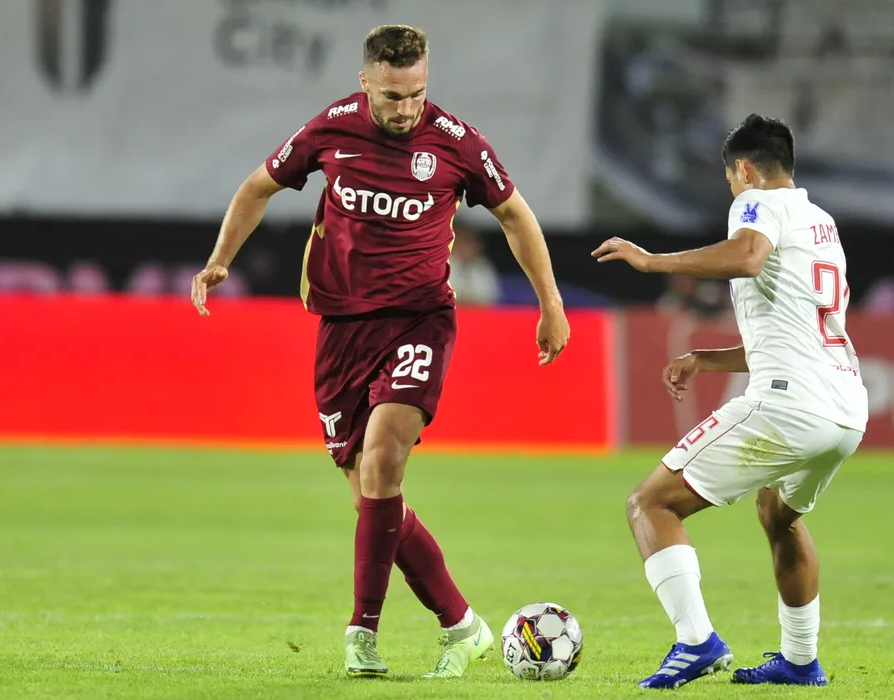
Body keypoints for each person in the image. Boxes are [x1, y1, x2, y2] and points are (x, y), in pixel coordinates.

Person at [192, 24, 569, 679]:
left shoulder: (455, 142)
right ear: (365, 81)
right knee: (371, 493)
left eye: (417, 93)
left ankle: (361, 633)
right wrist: (221, 259)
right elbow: (257, 187)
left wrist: (550, 303)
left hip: (421, 320)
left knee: (385, 457)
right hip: (341, 331)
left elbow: (514, 214)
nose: (406, 109)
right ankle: (462, 626)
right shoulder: (330, 129)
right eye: (393, 96)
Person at [592, 113, 867, 689]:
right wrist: (706, 358)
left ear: (743, 169)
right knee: (779, 514)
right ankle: (800, 661)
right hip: (844, 407)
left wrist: (652, 261)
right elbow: (793, 333)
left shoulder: (757, 203)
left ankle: (696, 641)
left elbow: (746, 257)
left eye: (729, 180)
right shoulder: (821, 223)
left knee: (651, 504)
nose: (732, 191)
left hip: (790, 405)